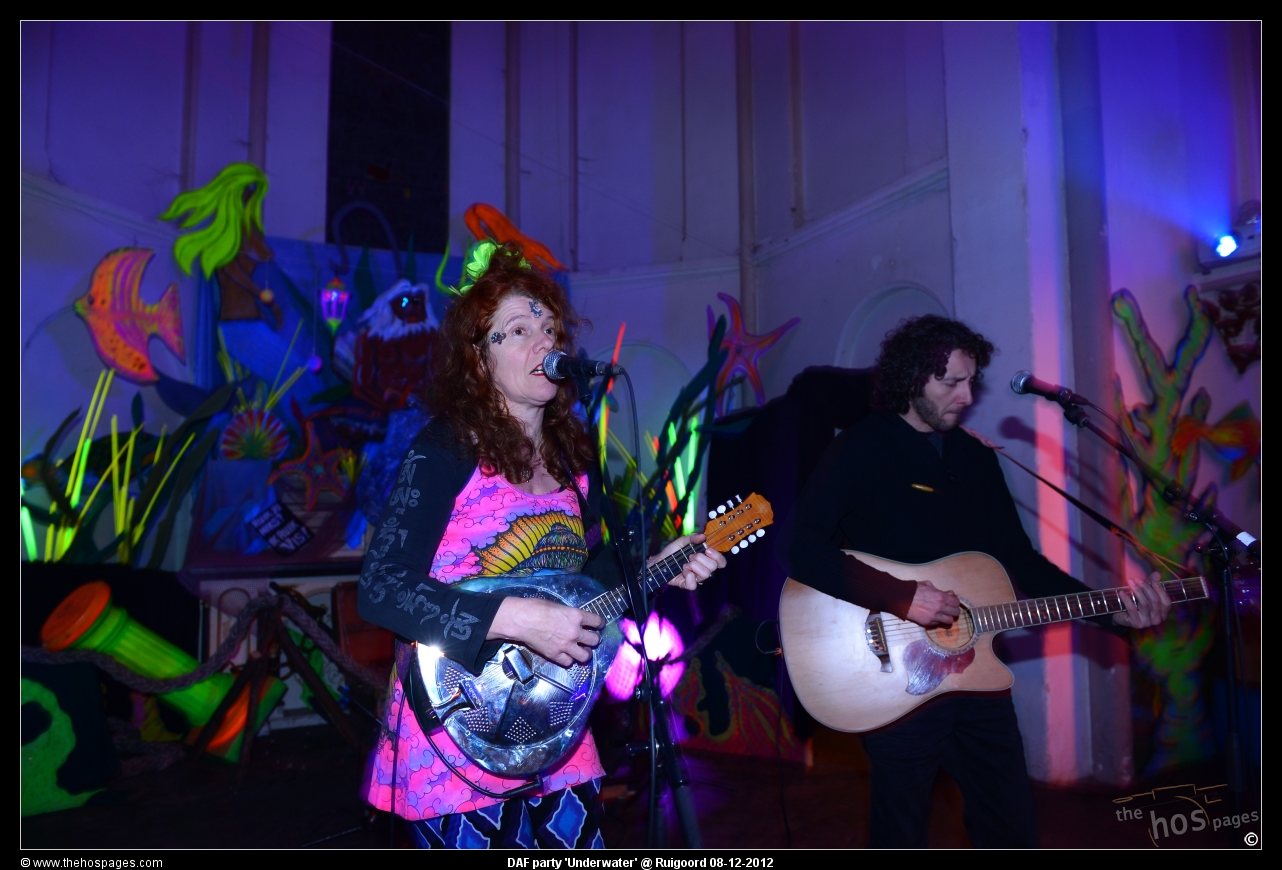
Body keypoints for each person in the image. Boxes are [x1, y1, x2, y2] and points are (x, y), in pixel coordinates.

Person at [356, 241, 726, 848]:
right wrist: (517, 619)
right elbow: (382, 589)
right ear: (479, 358)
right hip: (457, 722)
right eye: (519, 330)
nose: (544, 342)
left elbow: (585, 585)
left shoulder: (574, 459)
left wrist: (657, 567)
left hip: (555, 718)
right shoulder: (445, 447)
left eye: (550, 328)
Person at [785, 314, 1171, 848]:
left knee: (1010, 828)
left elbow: (1020, 562)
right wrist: (903, 598)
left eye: (971, 382)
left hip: (975, 673)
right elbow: (802, 550)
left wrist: (1112, 612)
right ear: (911, 378)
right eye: (951, 382)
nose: (966, 397)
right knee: (900, 835)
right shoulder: (858, 449)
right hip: (891, 675)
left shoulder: (974, 457)